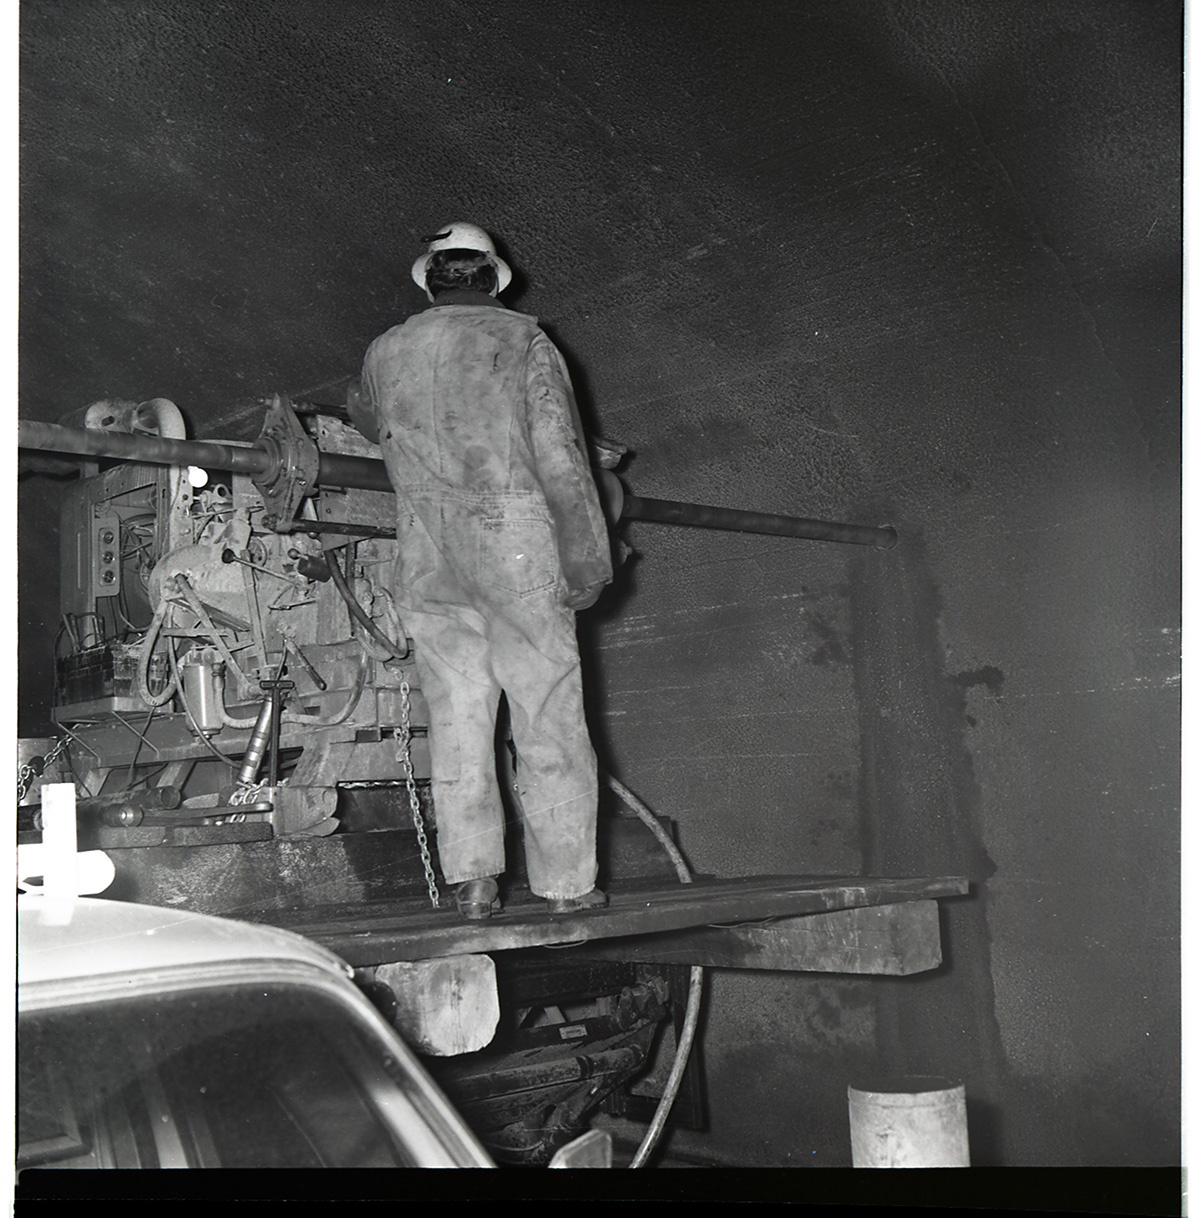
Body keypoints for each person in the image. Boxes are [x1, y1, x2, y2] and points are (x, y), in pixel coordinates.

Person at [353, 222, 613, 921]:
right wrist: (588, 559)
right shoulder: (524, 341)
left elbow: (365, 415)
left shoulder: (386, 350)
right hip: (514, 547)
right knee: (545, 711)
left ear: (430, 279)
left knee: (458, 718)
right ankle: (564, 883)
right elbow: (561, 456)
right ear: (493, 278)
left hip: (429, 555)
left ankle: (473, 880)